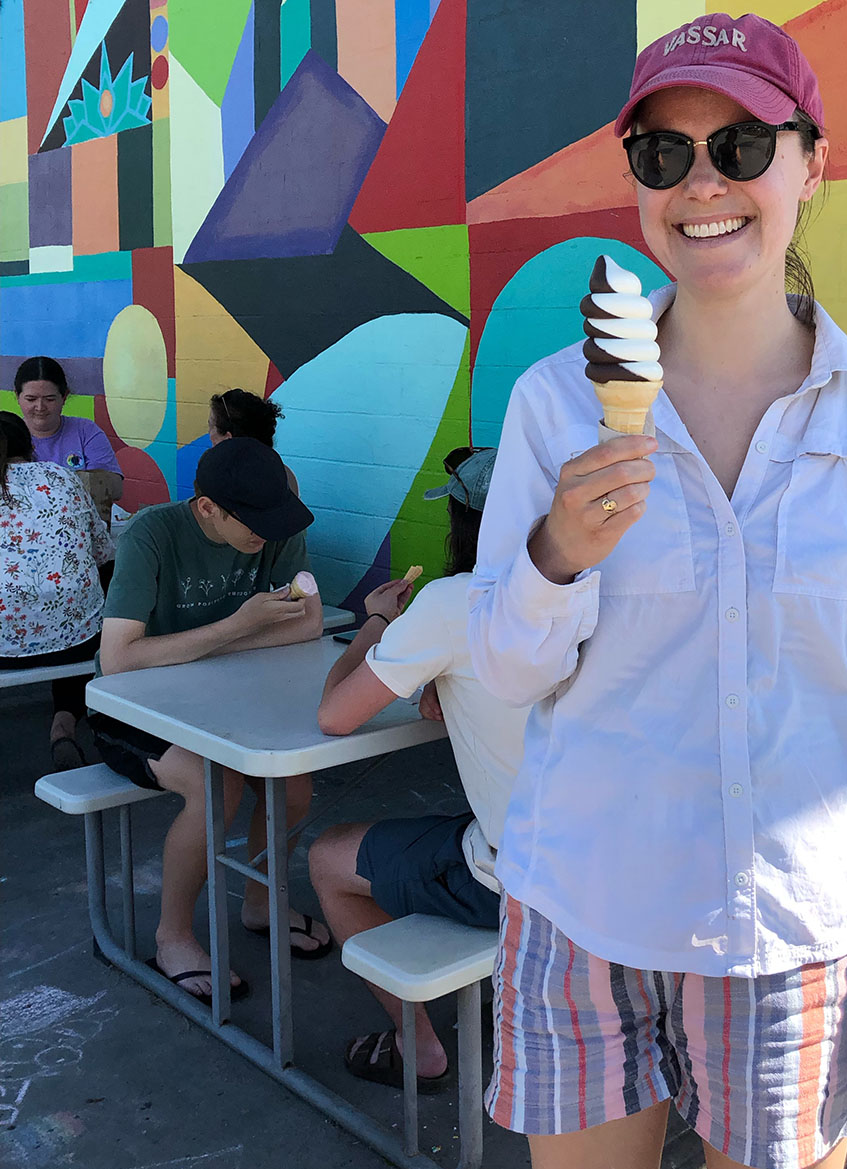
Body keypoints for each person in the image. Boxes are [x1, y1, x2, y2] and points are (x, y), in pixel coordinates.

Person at [468, 14, 847, 1169]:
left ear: (812, 163)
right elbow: (503, 671)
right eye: (664, 154)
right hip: (582, 910)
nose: (704, 183)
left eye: (744, 145)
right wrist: (554, 554)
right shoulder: (559, 405)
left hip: (788, 933)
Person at [310, 446, 530, 1088]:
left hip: (523, 879)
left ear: (461, 525)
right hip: (627, 867)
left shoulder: (451, 604)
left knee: (327, 857)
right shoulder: (612, 592)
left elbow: (335, 714)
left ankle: (421, 1049)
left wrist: (375, 623)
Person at [94, 437, 330, 1002]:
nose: (265, 534)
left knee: (293, 788)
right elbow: (119, 658)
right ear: (207, 508)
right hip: (130, 707)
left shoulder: (278, 524)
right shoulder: (153, 533)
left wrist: (202, 647)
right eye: (250, 521)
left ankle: (260, 901)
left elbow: (308, 625)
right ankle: (172, 935)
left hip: (232, 697)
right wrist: (239, 627)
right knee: (214, 784)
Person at [0, 411, 114, 769]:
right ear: (30, 447)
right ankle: (63, 728)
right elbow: (103, 552)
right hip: (76, 643)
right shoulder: (61, 476)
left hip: (3, 647)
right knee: (87, 600)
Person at [14, 357, 124, 524]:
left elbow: (115, 488)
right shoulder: (7, 435)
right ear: (17, 396)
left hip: (81, 531)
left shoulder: (86, 431)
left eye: (50, 399)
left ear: (64, 397)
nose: (40, 407)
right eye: (31, 399)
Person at [207, 388, 300, 495]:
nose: (209, 433)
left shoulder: (221, 480)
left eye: (210, 426)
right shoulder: (285, 473)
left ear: (227, 439)